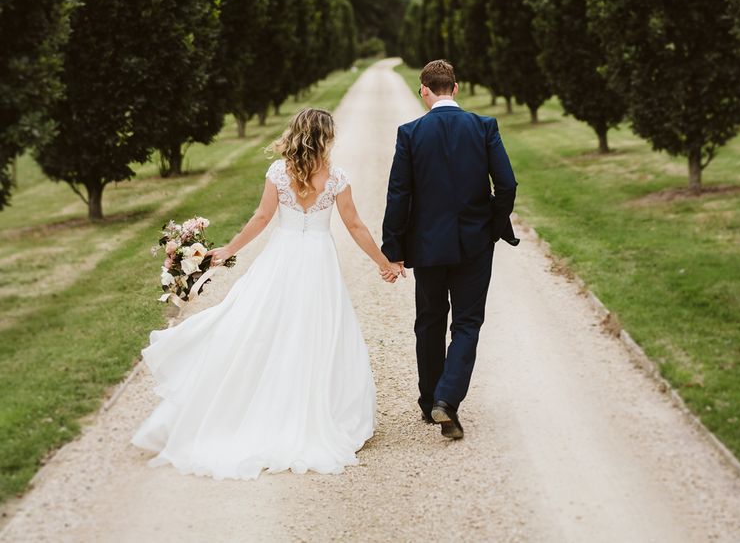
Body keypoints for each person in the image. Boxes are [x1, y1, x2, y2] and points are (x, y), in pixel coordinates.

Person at [132, 108, 401, 479]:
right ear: (326, 137)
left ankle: (254, 408)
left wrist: (229, 249)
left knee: (260, 324)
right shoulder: (335, 178)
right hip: (318, 258)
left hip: (282, 255)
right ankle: (316, 411)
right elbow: (354, 224)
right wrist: (383, 262)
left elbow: (261, 218)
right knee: (316, 331)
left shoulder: (279, 172)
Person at [381, 59, 518, 439]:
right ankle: (447, 399)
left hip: (426, 246)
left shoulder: (410, 133)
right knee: (467, 323)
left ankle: (430, 403)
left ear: (424, 90)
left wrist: (393, 248)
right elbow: (506, 185)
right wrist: (491, 226)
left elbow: (399, 195)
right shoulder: (483, 127)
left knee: (429, 321)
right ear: (455, 88)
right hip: (474, 243)